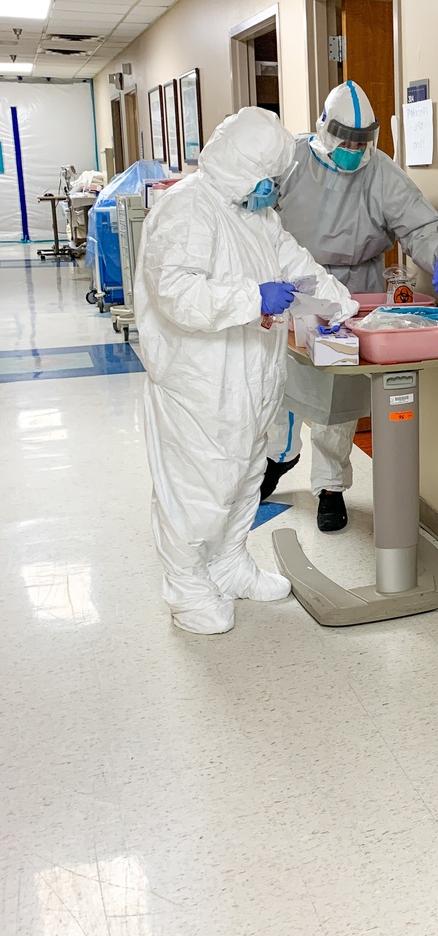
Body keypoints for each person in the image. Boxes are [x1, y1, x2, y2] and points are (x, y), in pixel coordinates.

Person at [134, 107, 356, 635]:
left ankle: (231, 565)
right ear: (241, 166)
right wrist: (251, 296)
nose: (273, 190)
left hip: (254, 378)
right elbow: (175, 294)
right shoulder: (186, 209)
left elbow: (298, 267)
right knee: (200, 486)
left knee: (245, 476)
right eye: (269, 179)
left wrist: (337, 306)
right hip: (199, 381)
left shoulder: (255, 215)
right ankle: (187, 588)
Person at [262, 80, 438, 531]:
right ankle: (277, 459)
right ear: (324, 130)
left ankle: (330, 487)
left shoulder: (381, 172)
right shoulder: (290, 160)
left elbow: (417, 222)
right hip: (295, 285)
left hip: (355, 292)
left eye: (362, 141)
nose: (354, 149)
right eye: (346, 140)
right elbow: (256, 211)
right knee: (284, 386)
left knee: (341, 396)